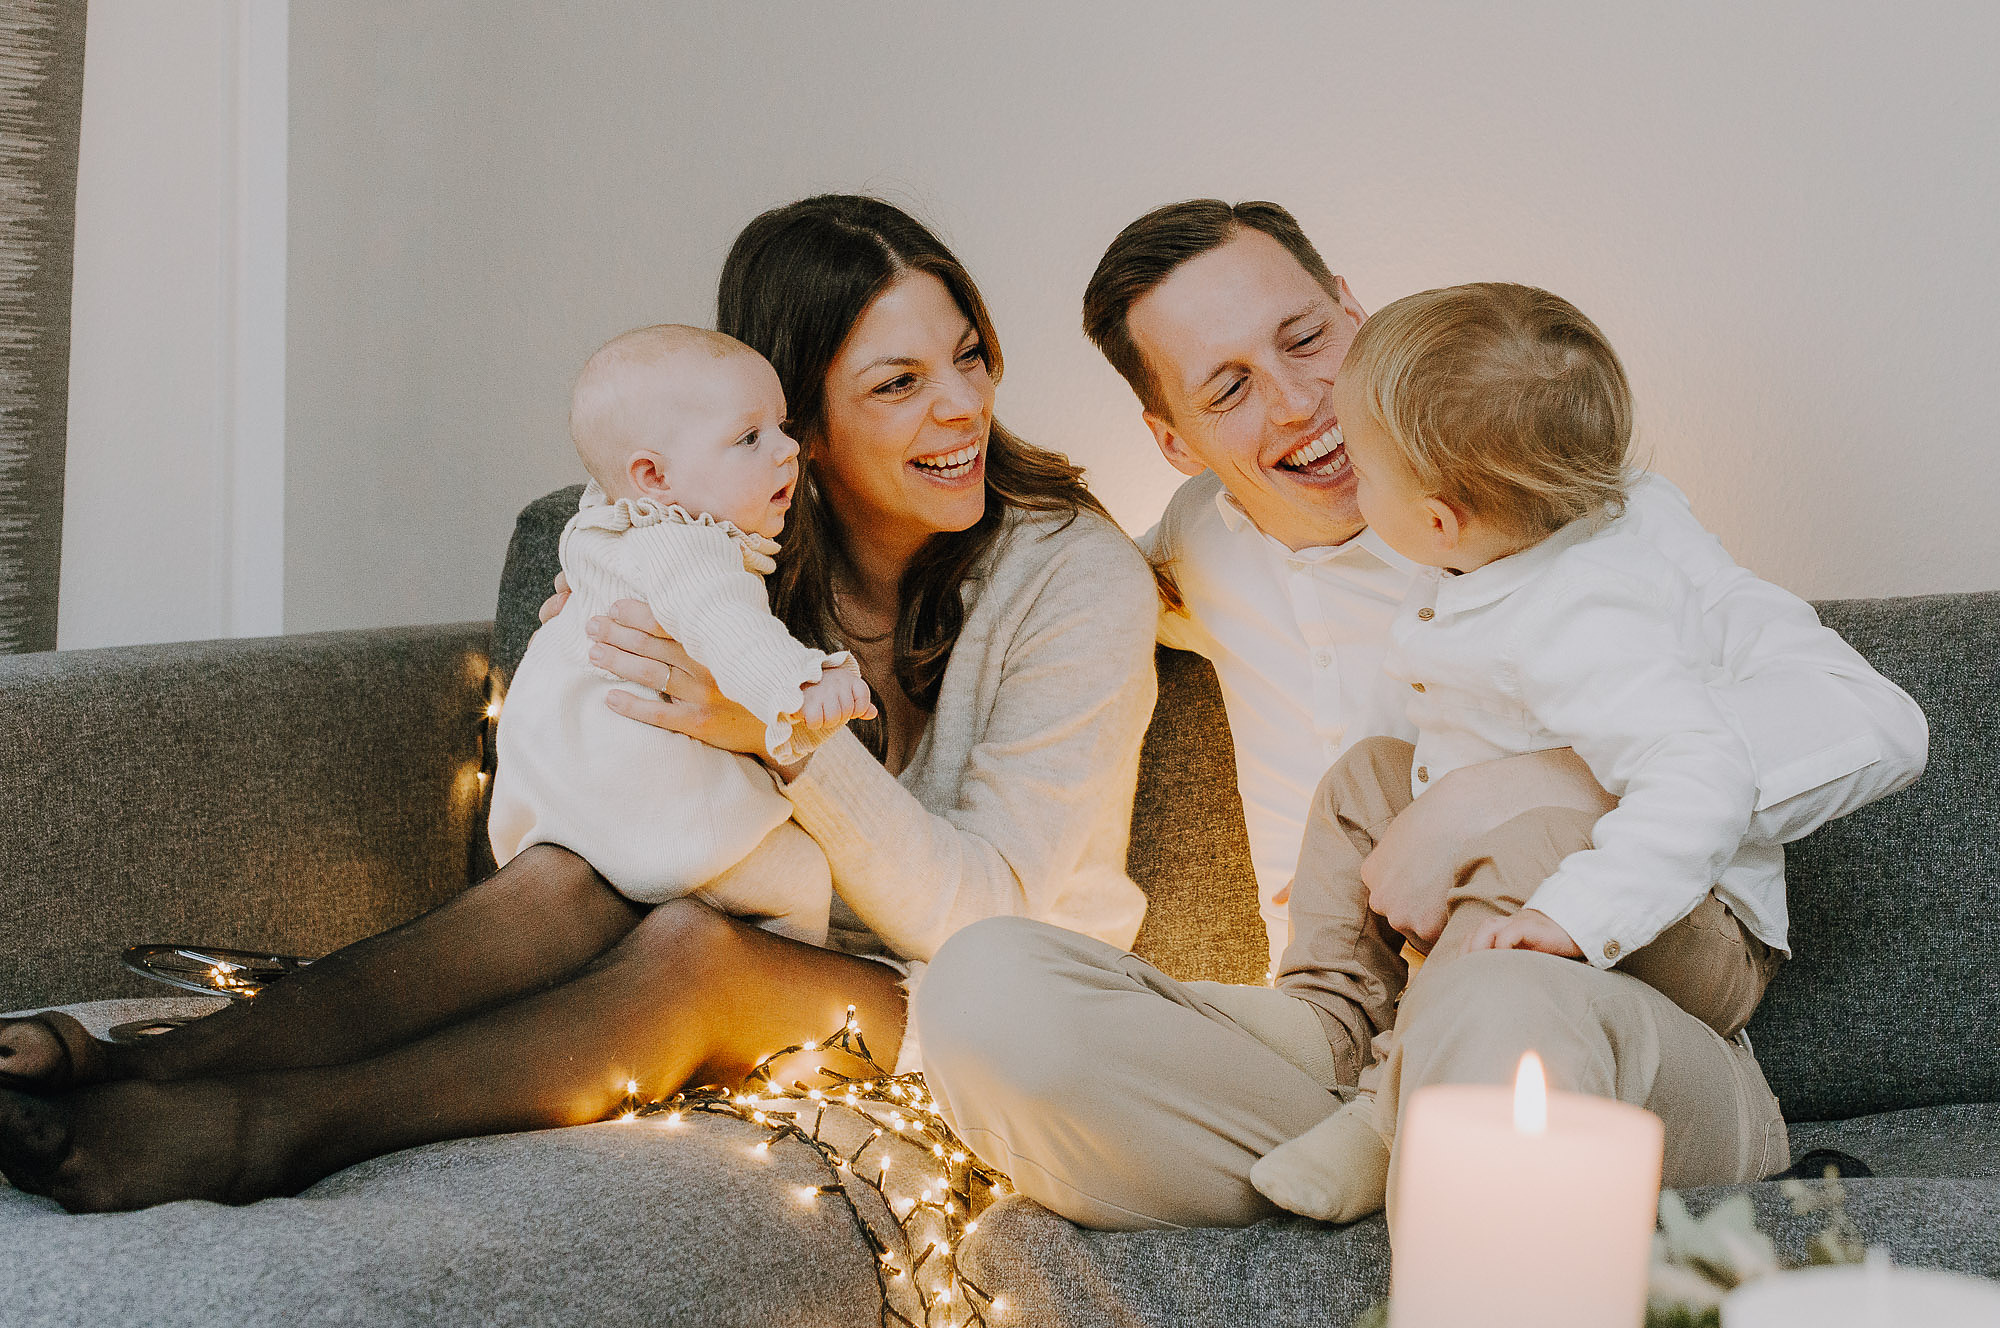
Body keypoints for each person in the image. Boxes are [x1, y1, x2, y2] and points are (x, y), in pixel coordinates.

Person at [0, 195, 1158, 1214]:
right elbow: (620, 546)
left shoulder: (1073, 576)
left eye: (969, 356)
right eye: (898, 384)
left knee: (691, 950)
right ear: (789, 416)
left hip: (997, 1013)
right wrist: (606, 565)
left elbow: (985, 922)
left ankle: (268, 1132)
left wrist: (786, 742)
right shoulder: (727, 539)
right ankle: (148, 1067)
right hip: (795, 934)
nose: (961, 406)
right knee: (564, 874)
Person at [913, 200, 1928, 1230]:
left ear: (1354, 310)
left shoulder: (1572, 511)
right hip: (1329, 1051)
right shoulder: (1188, 551)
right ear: (1173, 441)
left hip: (1587, 1016)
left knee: (1496, 1003)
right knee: (982, 991)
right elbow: (1038, 601)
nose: (1301, 398)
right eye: (1228, 388)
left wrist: (1511, 789)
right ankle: (1394, 1187)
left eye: (1305, 338)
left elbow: (1872, 722)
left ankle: (1424, 1179)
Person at [1251, 281, 1842, 1223]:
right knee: (1365, 772)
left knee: (1533, 838)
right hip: (1564, 875)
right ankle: (1327, 1006)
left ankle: (1385, 1109)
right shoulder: (1490, 556)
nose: (1350, 484)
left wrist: (1574, 918)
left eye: (1361, 471)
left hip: (1695, 933)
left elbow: (1706, 777)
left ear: (1439, 519)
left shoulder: (1586, 618)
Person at [489, 324, 875, 948]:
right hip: (653, 814)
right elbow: (732, 629)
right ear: (654, 478)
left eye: (781, 426)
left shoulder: (602, 522)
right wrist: (804, 684)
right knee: (802, 873)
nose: (787, 450)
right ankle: (793, 998)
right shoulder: (691, 549)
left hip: (556, 810)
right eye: (750, 438)